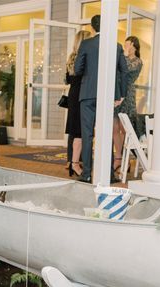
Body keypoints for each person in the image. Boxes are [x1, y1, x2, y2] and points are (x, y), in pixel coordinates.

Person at [74, 14, 128, 183]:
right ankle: (109, 174)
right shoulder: (116, 46)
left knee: (87, 134)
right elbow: (124, 72)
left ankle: (87, 173)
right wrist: (121, 94)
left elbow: (77, 69)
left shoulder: (86, 44)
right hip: (107, 95)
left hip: (88, 94)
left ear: (93, 28)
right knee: (107, 134)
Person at [112, 36, 143, 174]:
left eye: (127, 44)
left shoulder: (137, 61)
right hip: (116, 93)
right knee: (114, 128)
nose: (125, 47)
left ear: (134, 46)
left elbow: (127, 69)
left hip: (128, 95)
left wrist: (123, 56)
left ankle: (125, 159)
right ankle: (117, 157)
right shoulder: (121, 58)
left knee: (125, 129)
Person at [65, 30, 92, 178]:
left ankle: (73, 162)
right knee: (80, 131)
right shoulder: (83, 58)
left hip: (73, 94)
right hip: (81, 95)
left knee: (76, 130)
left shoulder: (71, 58)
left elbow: (68, 80)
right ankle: (75, 163)